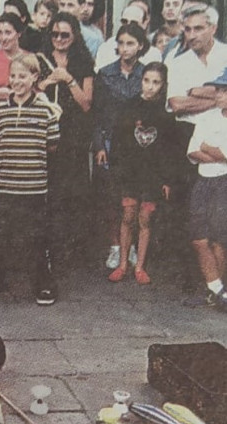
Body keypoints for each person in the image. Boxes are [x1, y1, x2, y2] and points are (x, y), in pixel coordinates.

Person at [0, 53, 60, 306]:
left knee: (35, 237)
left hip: (32, 187)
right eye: (13, 76)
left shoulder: (45, 110)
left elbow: (52, 146)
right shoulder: (0, 109)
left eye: (23, 76)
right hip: (2, 185)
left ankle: (42, 283)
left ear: (34, 77)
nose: (17, 81)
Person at [107, 63, 178, 285]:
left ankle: (140, 267)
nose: (150, 87)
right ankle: (122, 264)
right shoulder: (128, 107)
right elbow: (118, 142)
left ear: (163, 85)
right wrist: (117, 169)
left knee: (145, 219)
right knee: (128, 216)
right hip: (129, 172)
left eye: (156, 82)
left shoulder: (166, 115)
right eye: (147, 80)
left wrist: (166, 179)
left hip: (152, 175)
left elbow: (169, 150)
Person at [36, 12, 94, 265]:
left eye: (65, 34)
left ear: (75, 36)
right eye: (55, 34)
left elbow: (86, 104)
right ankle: (45, 248)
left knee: (72, 192)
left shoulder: (83, 61)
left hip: (73, 135)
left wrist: (68, 79)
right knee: (46, 192)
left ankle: (70, 250)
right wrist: (50, 80)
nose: (59, 39)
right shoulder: (39, 59)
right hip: (44, 133)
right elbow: (30, 90)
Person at [93, 23, 149, 271]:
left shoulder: (147, 74)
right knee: (110, 196)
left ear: (140, 46)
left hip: (138, 144)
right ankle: (115, 246)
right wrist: (98, 145)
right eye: (122, 43)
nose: (125, 48)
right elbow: (96, 113)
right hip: (109, 140)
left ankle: (133, 246)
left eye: (131, 43)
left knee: (134, 197)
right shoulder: (105, 74)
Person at [182, 68, 227, 309]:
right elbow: (193, 150)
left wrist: (211, 150)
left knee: (220, 239)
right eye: (219, 89)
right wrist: (215, 152)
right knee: (199, 238)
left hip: (224, 183)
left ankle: (216, 294)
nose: (218, 94)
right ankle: (217, 289)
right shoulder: (208, 117)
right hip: (204, 182)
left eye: (223, 90)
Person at [94, 5, 162, 72]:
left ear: (144, 24)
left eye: (133, 22)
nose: (128, 25)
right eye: (124, 21)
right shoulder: (106, 48)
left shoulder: (153, 53)